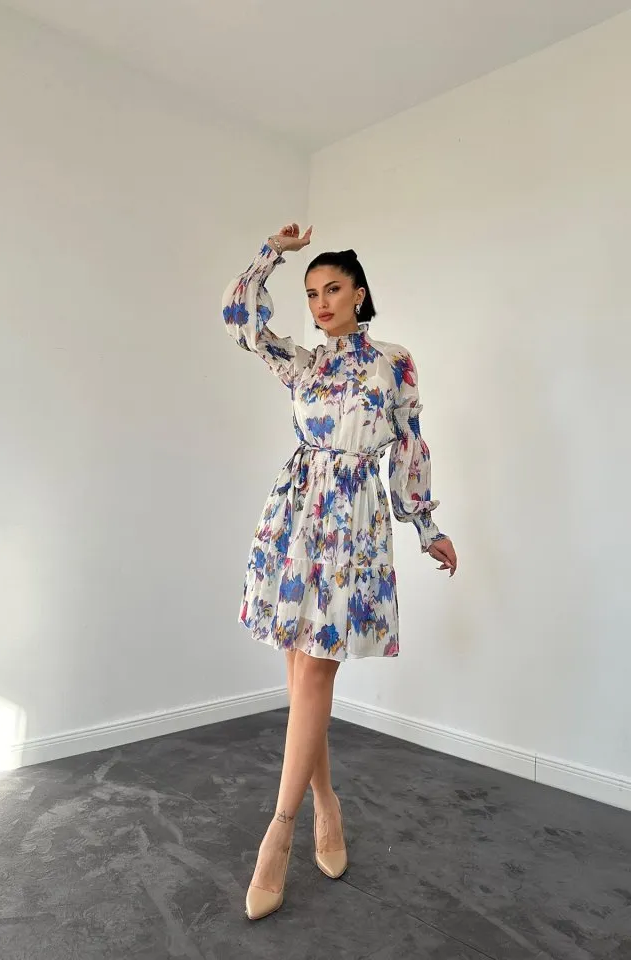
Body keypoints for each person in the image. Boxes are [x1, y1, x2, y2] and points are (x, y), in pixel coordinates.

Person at [221, 223, 457, 921]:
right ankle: (326, 801)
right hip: (295, 517)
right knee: (303, 677)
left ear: (359, 292)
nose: (320, 303)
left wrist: (426, 525)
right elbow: (239, 318)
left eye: (332, 289)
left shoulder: (394, 363)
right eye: (310, 293)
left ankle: (279, 832)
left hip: (353, 525)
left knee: (316, 673)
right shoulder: (303, 363)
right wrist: (271, 253)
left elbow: (409, 443)